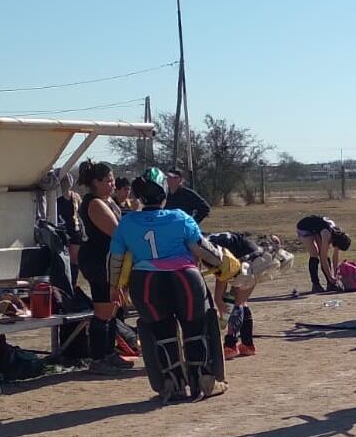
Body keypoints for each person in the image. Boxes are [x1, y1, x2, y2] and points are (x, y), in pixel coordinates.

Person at [108, 168, 229, 401]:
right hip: (186, 279)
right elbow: (203, 250)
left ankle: (171, 382)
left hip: (145, 283)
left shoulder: (127, 222)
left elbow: (115, 260)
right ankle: (203, 380)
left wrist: (115, 287)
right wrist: (222, 262)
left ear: (140, 196)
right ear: (164, 192)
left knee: (161, 333)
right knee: (196, 329)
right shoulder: (180, 217)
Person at [76, 162, 133, 375]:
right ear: (96, 183)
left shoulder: (108, 200)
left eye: (113, 180)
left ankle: (109, 353)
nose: (112, 184)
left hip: (110, 259)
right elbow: (116, 231)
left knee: (113, 307)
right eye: (108, 181)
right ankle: (98, 359)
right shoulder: (94, 203)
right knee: (103, 309)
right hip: (97, 260)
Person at [208, 231, 262, 360]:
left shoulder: (206, 248)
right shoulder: (206, 241)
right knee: (241, 301)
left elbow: (223, 273)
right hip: (254, 255)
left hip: (248, 259)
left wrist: (218, 299)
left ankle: (230, 346)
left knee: (237, 303)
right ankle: (248, 345)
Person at [295, 215, 351, 293]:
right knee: (315, 254)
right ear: (337, 242)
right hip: (304, 227)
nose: (337, 249)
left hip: (316, 229)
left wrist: (335, 275)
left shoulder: (337, 235)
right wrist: (330, 276)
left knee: (324, 253)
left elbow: (335, 256)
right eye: (338, 247)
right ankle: (316, 285)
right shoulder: (326, 234)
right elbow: (323, 258)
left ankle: (330, 284)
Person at [57, 171, 83, 286]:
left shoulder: (76, 197)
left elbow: (81, 213)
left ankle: (73, 284)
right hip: (62, 232)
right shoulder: (56, 199)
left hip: (75, 231)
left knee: (74, 261)